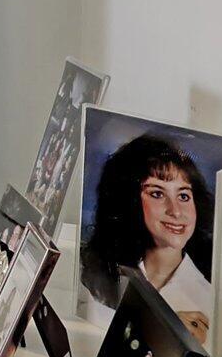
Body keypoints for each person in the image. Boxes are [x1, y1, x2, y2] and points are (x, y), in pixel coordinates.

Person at [84, 134, 215, 343]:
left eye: (183, 196)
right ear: (129, 199)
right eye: (157, 194)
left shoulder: (211, 302)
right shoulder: (101, 276)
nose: (176, 211)